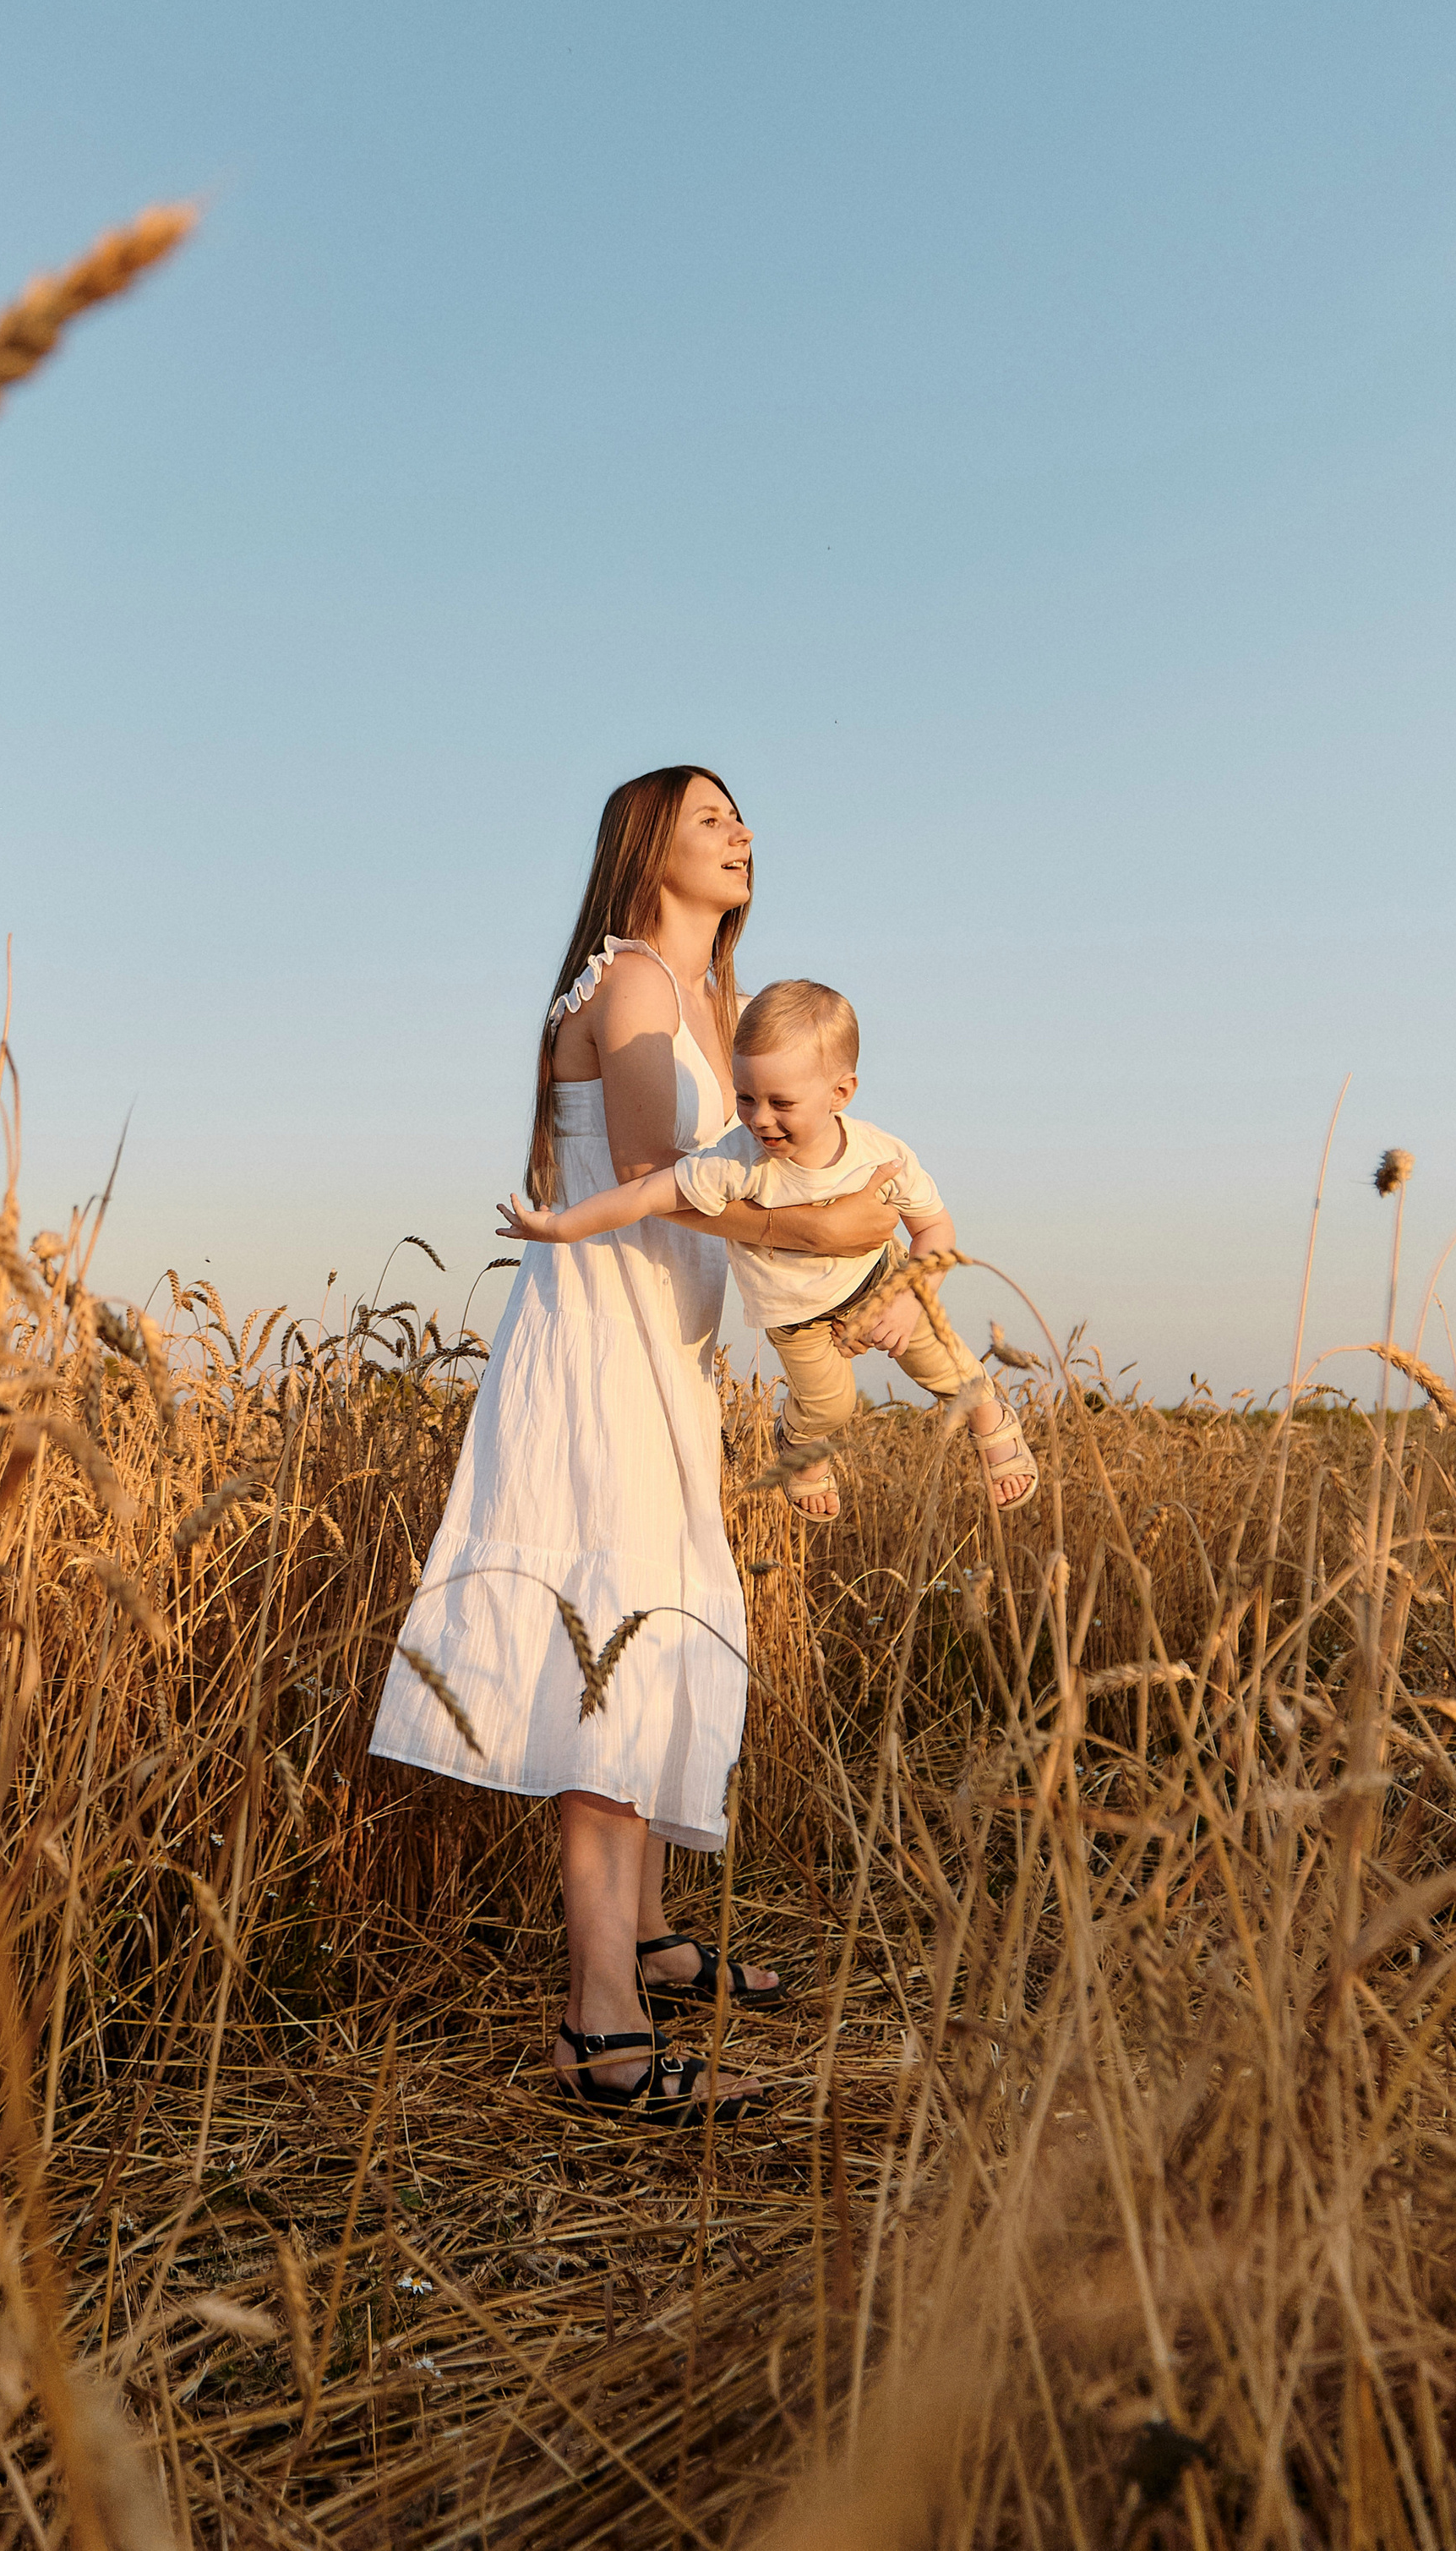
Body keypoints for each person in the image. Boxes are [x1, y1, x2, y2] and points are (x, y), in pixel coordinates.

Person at [368, 769, 903, 2122]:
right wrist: (829, 1228)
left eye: (743, 817)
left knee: (655, 1626)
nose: (743, 831)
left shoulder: (712, 994)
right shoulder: (630, 984)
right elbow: (675, 1177)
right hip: (600, 1351)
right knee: (611, 1638)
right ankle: (598, 2024)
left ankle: (652, 1937)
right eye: (712, 815)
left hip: (660, 1345)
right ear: (648, 842)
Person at [499, 975, 1039, 1523]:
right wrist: (563, 1226)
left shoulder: (881, 1155)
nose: (759, 1118)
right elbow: (646, 1192)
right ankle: (800, 1442)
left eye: (781, 1102)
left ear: (840, 1093)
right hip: (796, 1316)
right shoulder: (737, 1160)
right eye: (745, 1097)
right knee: (831, 1405)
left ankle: (992, 1420)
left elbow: (935, 1228)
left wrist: (909, 1297)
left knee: (948, 1366)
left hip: (881, 1281)